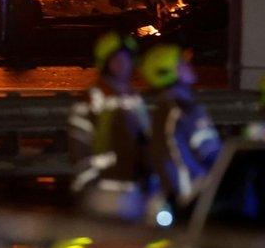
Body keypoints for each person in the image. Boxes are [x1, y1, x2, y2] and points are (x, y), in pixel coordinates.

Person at [68, 32, 151, 221]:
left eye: (127, 59)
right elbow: (79, 149)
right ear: (104, 63)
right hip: (103, 194)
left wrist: (150, 181)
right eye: (117, 60)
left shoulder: (133, 99)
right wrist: (90, 186)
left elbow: (145, 141)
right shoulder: (91, 101)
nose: (123, 65)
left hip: (134, 192)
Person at [142, 44, 220, 213]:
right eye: (183, 64)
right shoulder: (186, 111)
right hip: (197, 198)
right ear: (168, 72)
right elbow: (212, 154)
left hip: (169, 199)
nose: (190, 66)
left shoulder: (159, 111)